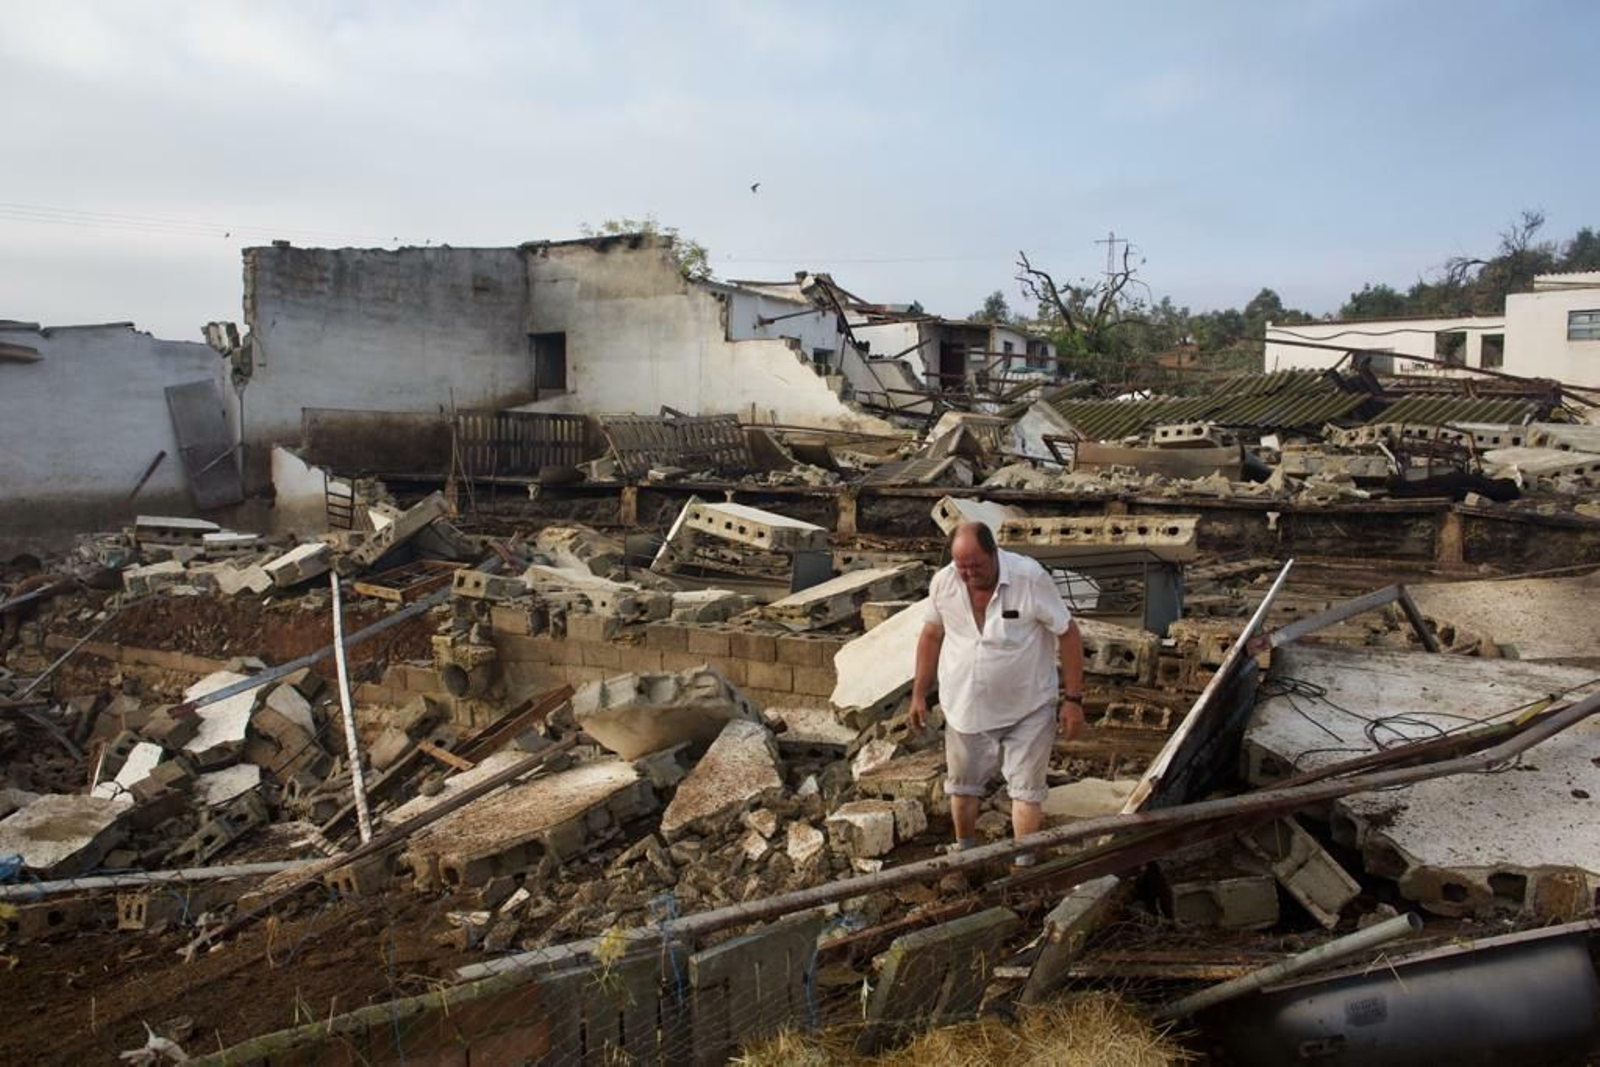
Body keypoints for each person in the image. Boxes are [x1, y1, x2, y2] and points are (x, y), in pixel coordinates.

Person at [907, 521, 1085, 868]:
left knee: (1026, 791)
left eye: (977, 566)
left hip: (1028, 707)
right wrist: (918, 694)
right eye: (963, 567)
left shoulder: (1029, 578)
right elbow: (930, 636)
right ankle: (966, 854)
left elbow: (1068, 633)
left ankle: (1024, 865)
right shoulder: (944, 583)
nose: (970, 574)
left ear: (994, 552)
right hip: (965, 707)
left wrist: (1073, 699)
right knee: (961, 787)